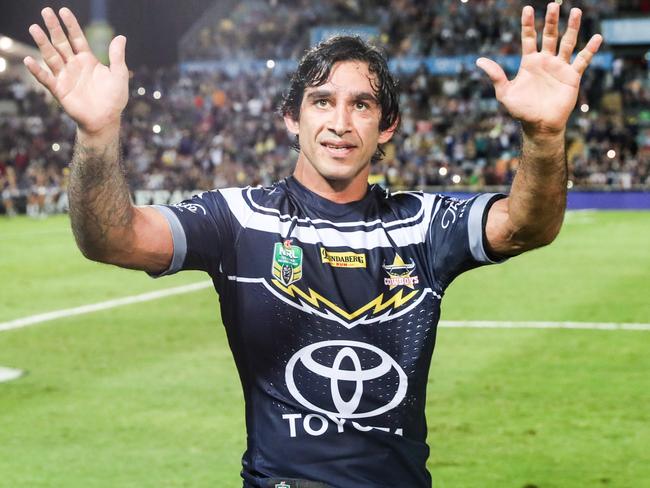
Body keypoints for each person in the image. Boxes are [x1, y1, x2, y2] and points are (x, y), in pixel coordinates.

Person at [25, 4, 602, 487]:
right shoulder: (239, 219)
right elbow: (111, 237)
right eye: (322, 101)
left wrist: (545, 136)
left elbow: (527, 225)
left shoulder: (423, 224)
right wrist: (97, 136)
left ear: (387, 126)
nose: (341, 122)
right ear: (291, 119)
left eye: (362, 105)